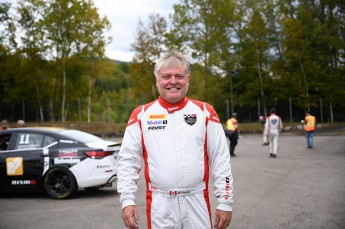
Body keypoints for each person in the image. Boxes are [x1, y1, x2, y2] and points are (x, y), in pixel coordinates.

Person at [117, 51, 233, 229]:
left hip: (197, 200)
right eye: (166, 76)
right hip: (160, 204)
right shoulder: (141, 115)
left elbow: (220, 158)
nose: (173, 81)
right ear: (157, 80)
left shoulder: (205, 112)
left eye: (179, 76)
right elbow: (127, 162)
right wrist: (127, 200)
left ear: (188, 79)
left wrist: (225, 201)